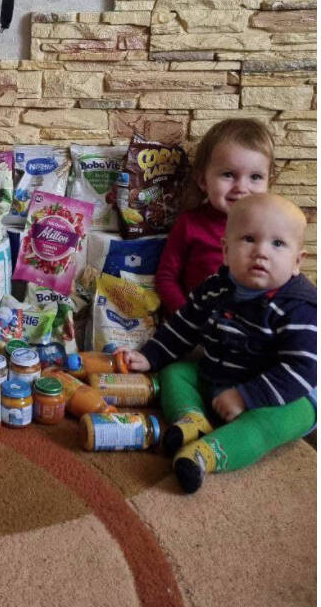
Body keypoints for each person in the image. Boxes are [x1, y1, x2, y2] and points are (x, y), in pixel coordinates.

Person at [119, 193, 316, 493]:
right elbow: (185, 325)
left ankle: (205, 455)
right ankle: (192, 419)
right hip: (221, 375)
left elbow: (302, 369)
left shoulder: (299, 308)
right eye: (249, 239)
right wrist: (151, 355)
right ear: (225, 251)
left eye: (277, 244)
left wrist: (246, 397)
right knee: (175, 372)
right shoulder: (215, 288)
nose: (261, 252)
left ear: (296, 262)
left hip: (283, 393)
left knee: (275, 422)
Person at [154, 118, 273, 316]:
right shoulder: (190, 224)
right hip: (199, 327)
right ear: (203, 181)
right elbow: (166, 278)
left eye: (255, 177)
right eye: (228, 174)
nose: (242, 188)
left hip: (252, 329)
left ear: (269, 180)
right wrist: (188, 318)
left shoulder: (271, 227)